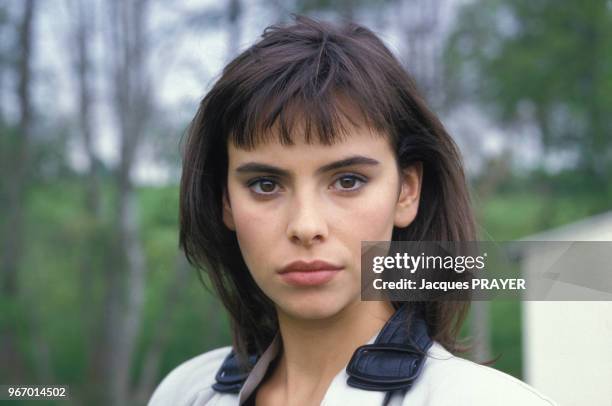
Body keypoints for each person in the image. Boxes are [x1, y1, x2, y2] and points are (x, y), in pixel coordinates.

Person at [149, 14, 558, 406]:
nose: (306, 226)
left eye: (347, 181)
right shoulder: (185, 394)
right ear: (226, 201)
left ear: (406, 192)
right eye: (266, 184)